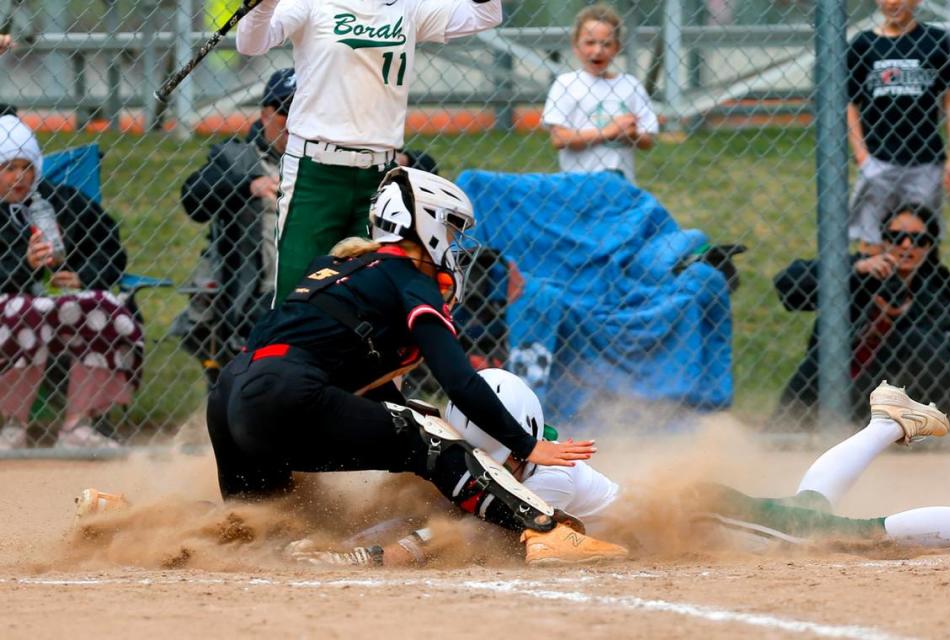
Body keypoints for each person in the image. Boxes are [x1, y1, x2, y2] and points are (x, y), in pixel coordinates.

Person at [204, 166, 628, 565]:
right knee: (429, 433)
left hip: (229, 400)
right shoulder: (408, 277)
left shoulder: (341, 268)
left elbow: (352, 381)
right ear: (424, 223)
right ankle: (547, 531)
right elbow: (459, 380)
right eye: (449, 229)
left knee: (265, 535)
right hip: (284, 394)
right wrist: (525, 445)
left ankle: (190, 537)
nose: (453, 243)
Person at [287, 371, 950, 568]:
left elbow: (440, 536)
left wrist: (365, 557)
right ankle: (885, 420)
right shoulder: (516, 455)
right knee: (810, 503)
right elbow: (428, 508)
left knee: (845, 533)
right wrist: (345, 535)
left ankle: (885, 424)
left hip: (700, 515)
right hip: (688, 510)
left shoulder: (540, 482)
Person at [235, 0, 504, 302]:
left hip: (378, 176)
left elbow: (486, 14)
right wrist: (263, 5)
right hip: (314, 170)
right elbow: (250, 43)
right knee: (297, 292)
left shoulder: (407, 8)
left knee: (371, 297)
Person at [0, 115, 141, 450]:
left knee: (101, 309)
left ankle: (77, 425)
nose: (20, 177)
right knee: (22, 312)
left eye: (27, 167)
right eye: (8, 167)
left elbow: (110, 250)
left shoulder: (63, 200)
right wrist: (23, 265)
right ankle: (13, 424)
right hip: (11, 307)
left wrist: (84, 277)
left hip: (64, 305)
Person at [773, 203, 950, 428]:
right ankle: (793, 428)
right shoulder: (860, 271)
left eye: (918, 240)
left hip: (895, 390)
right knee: (824, 356)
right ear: (884, 241)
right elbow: (786, 284)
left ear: (930, 246)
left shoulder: (939, 288)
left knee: (917, 339)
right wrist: (854, 270)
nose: (907, 245)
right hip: (836, 383)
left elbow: (932, 354)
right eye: (896, 237)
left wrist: (897, 318)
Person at [174, 68, 294, 384]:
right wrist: (248, 186)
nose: (295, 121)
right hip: (253, 291)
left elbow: (421, 166)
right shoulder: (236, 157)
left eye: (305, 110)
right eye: (286, 111)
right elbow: (193, 197)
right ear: (266, 113)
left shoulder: (327, 161)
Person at [847, 0, 950, 252]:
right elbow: (851, 105)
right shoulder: (864, 44)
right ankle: (875, 290)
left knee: (920, 240)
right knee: (873, 240)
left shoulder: (936, 40)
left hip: (925, 160)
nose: (892, 2)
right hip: (879, 158)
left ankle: (917, 291)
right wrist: (862, 156)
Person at [542, 3, 658, 183]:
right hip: (577, 185)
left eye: (606, 44)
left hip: (621, 185)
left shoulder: (631, 85)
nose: (597, 51)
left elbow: (647, 140)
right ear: (576, 46)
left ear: (617, 48)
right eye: (590, 42)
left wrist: (631, 134)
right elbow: (559, 138)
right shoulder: (566, 84)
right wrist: (609, 131)